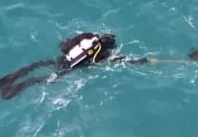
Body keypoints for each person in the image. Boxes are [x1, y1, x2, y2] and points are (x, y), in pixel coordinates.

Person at [1, 32, 146, 99]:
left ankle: (9, 79)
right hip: (69, 68)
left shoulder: (88, 37)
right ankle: (17, 88)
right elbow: (121, 60)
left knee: (36, 65)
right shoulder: (102, 56)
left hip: (63, 58)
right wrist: (142, 60)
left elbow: (65, 46)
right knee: (44, 79)